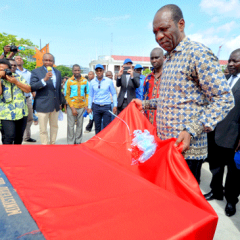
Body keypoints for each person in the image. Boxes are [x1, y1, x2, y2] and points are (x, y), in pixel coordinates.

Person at [132, 4, 234, 183]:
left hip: (187, 151)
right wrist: (146, 104)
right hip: (166, 146)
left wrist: (191, 130)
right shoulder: (169, 58)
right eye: (155, 32)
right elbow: (171, 100)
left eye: (164, 29)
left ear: (181, 25)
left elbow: (224, 99)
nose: (159, 37)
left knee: (183, 206)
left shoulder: (198, 54)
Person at [204, 48, 240, 217]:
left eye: (235, 61)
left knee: (233, 172)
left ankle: (231, 200)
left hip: (234, 136)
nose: (230, 64)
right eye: (229, 60)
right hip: (216, 132)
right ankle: (216, 190)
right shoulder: (224, 79)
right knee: (216, 166)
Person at [30, 53, 62, 145]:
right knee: (43, 129)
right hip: (42, 104)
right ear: (43, 61)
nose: (48, 62)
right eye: (46, 60)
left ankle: (52, 144)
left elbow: (58, 89)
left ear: (53, 62)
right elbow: (33, 87)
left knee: (54, 126)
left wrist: (59, 103)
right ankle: (45, 146)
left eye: (50, 60)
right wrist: (44, 79)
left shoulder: (58, 72)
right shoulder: (36, 72)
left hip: (55, 105)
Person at [0, 59, 31, 144]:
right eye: (0, 69)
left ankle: (16, 156)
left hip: (21, 111)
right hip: (5, 113)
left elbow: (28, 90)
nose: (2, 71)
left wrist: (16, 82)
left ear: (9, 69)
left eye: (4, 69)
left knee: (19, 137)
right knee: (9, 136)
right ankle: (6, 156)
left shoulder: (18, 77)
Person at [87, 64, 117, 134]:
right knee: (97, 127)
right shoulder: (92, 82)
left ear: (103, 71)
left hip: (106, 106)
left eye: (100, 70)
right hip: (96, 106)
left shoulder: (109, 81)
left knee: (106, 126)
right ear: (95, 72)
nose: (99, 72)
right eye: (97, 71)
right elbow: (90, 95)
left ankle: (105, 143)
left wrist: (115, 105)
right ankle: (98, 143)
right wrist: (89, 107)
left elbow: (114, 93)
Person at [65, 64, 89, 144]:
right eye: (75, 70)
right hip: (71, 107)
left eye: (78, 70)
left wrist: (86, 105)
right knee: (71, 126)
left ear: (80, 71)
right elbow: (67, 95)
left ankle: (78, 142)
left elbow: (87, 93)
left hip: (81, 107)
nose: (77, 72)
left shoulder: (85, 81)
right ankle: (70, 143)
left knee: (80, 125)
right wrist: (72, 108)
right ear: (72, 71)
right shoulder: (69, 81)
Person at [15, 55, 36, 142]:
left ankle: (26, 137)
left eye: (21, 58)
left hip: (27, 98)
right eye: (17, 58)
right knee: (17, 118)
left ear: (23, 61)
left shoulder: (29, 73)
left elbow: (32, 85)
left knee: (30, 118)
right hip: (16, 99)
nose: (19, 60)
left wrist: (34, 93)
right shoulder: (12, 72)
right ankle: (17, 136)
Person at [143, 48, 164, 128]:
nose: (154, 60)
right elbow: (144, 98)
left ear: (163, 58)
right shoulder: (148, 78)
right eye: (152, 58)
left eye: (156, 57)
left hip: (164, 121)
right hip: (149, 121)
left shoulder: (168, 77)